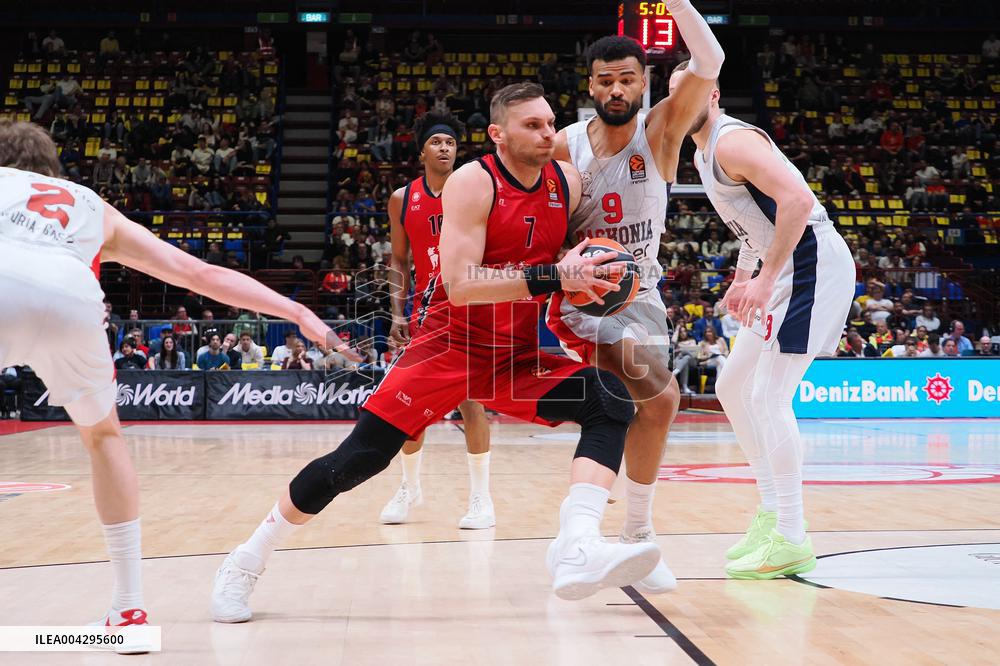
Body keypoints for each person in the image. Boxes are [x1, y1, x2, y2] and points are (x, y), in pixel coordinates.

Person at [212, 83, 664, 623]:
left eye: (551, 124)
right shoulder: (473, 183)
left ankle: (578, 543)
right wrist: (552, 275)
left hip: (515, 352)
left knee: (609, 399)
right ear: (498, 134)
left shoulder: (565, 180)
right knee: (359, 460)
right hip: (449, 346)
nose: (549, 134)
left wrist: (587, 270)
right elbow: (463, 282)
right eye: (534, 126)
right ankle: (245, 561)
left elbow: (553, 250)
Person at [0, 120, 356, 649]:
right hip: (72, 293)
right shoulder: (91, 205)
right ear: (53, 169)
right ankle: (129, 614)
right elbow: (198, 274)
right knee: (104, 438)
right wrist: (296, 309)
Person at [547, 5, 725, 594]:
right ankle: (615, 537)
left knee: (646, 408)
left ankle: (613, 538)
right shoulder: (564, 145)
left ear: (643, 82)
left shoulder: (661, 132)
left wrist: (675, 3)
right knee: (664, 396)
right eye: (605, 79)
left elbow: (711, 60)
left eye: (627, 78)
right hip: (581, 296)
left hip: (641, 295)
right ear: (590, 83)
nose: (616, 88)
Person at [676, 63, 855, 580]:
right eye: (671, 94)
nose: (679, 100)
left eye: (689, 90)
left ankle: (793, 536)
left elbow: (798, 201)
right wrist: (742, 275)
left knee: (768, 397)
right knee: (732, 386)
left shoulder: (732, 141)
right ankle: (773, 511)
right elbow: (753, 223)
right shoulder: (701, 151)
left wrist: (766, 274)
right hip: (782, 267)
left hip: (809, 263)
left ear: (710, 93)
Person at [382, 111, 496, 529]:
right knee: (409, 405)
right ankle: (409, 488)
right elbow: (398, 259)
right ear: (422, 150)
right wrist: (396, 313)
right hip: (425, 312)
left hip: (472, 306)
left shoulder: (477, 190)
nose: (445, 147)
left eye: (450, 141)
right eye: (437, 142)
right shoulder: (402, 198)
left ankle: (482, 499)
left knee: (472, 402)